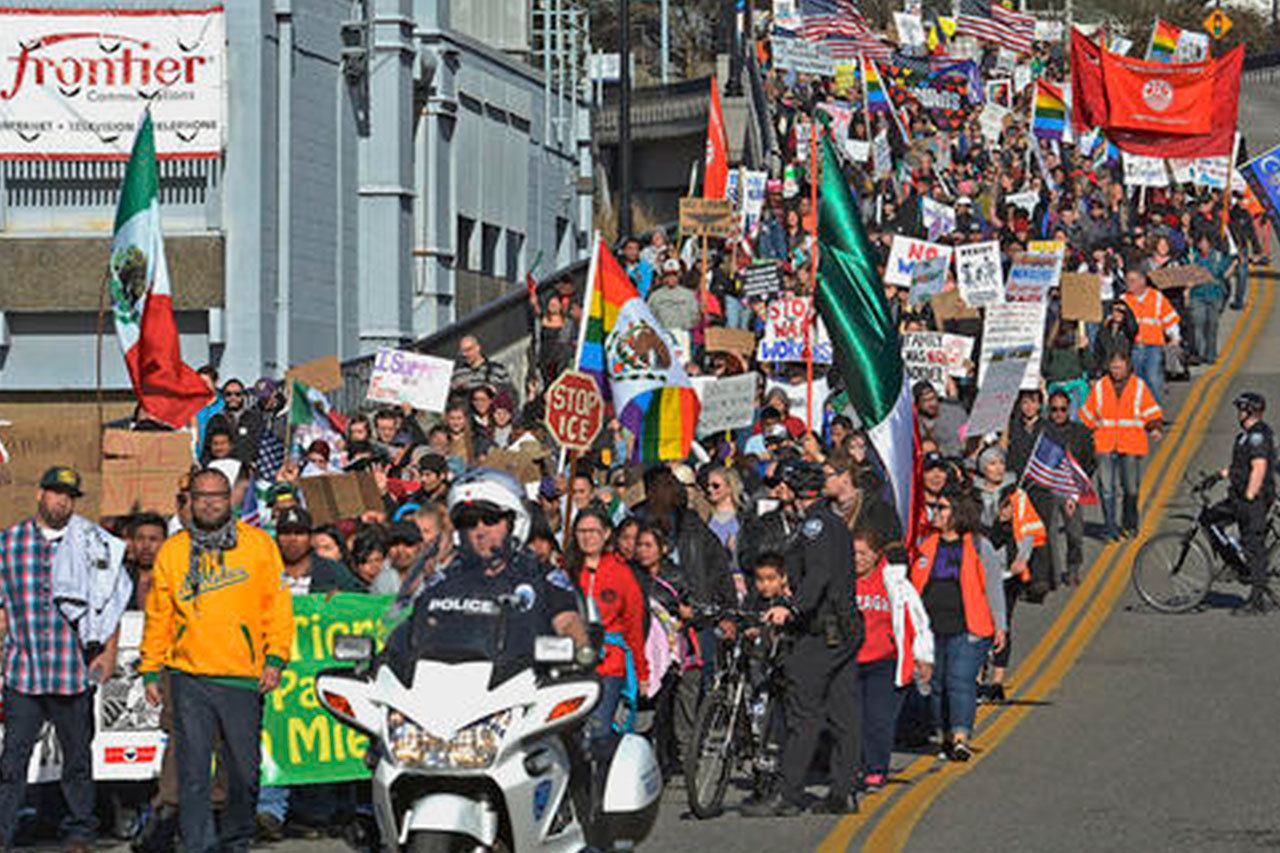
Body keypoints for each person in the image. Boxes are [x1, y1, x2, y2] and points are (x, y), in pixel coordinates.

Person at [139, 467, 294, 853]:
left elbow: (277, 606)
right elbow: (159, 615)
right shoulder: (173, 552)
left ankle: (236, 839)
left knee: (243, 771)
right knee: (192, 772)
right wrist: (150, 669)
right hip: (188, 675)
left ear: (232, 499)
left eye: (218, 495)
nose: (209, 502)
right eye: (202, 495)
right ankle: (197, 844)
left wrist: (276, 656)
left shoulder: (258, 545)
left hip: (242, 676)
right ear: (189, 501)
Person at [0, 467, 125, 852]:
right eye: (56, 493)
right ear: (40, 494)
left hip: (73, 670)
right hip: (25, 668)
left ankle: (79, 831)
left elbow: (111, 601)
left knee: (77, 759)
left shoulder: (91, 542)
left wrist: (109, 651)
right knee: (12, 761)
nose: (63, 502)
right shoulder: (9, 543)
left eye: (70, 496)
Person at [380, 467, 588, 693]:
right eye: (470, 522)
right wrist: (387, 655)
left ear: (515, 523)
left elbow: (567, 620)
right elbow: (412, 628)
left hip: (524, 695)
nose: (479, 531)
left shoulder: (542, 576)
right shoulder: (445, 581)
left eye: (490, 520)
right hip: (450, 694)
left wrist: (579, 646)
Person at [744, 461, 862, 816]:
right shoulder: (833, 522)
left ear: (796, 491)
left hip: (819, 631)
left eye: (785, 486)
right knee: (843, 711)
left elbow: (819, 576)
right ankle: (842, 791)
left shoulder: (814, 525)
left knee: (803, 715)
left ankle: (789, 793)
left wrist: (791, 609)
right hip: (841, 628)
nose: (781, 492)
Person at [911, 488, 1006, 761]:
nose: (936, 513)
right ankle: (946, 735)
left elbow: (993, 587)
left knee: (960, 680)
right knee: (937, 684)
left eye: (942, 508)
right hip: (931, 629)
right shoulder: (925, 544)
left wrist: (1000, 625)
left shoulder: (978, 545)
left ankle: (961, 736)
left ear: (957, 513)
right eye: (936, 508)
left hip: (969, 626)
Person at [853, 529, 932, 793]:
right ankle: (855, 765)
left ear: (877, 555)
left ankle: (876, 769)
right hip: (850, 662)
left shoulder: (895, 584)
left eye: (864, 553)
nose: (858, 559)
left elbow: (917, 621)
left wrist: (922, 656)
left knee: (878, 718)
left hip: (885, 662)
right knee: (854, 718)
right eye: (853, 553)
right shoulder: (841, 581)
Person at [570, 507, 649, 758]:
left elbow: (634, 625)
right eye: (581, 531)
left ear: (606, 534)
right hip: (570, 664)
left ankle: (602, 787)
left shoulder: (621, 573)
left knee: (600, 730)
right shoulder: (566, 570)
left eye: (593, 531)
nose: (587, 537)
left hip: (608, 664)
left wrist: (641, 672)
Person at [1078, 351, 1164, 539]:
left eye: (1119, 367)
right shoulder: (1100, 387)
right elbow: (1086, 415)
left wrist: (1154, 427)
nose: (1116, 371)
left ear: (1127, 366)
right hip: (1105, 444)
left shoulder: (1138, 386)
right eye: (1113, 367)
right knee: (1107, 489)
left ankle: (1130, 524)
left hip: (1131, 445)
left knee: (1131, 489)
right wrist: (1090, 430)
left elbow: (1151, 412)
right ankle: (1110, 527)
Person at [1208, 393, 1276, 615]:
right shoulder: (1244, 436)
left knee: (1254, 548)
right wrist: (1217, 476)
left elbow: (1259, 467)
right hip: (1238, 496)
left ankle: (1256, 601)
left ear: (1250, 411)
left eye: (1241, 409)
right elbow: (1240, 467)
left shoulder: (1258, 436)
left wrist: (1250, 496)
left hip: (1252, 499)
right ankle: (1235, 564)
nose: (1238, 413)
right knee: (1210, 518)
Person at [1043, 390, 1094, 586]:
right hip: (1048, 490)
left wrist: (1078, 487)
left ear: (1069, 409)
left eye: (1062, 409)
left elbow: (1090, 462)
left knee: (1075, 534)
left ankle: (1073, 569)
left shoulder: (1080, 432)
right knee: (1049, 536)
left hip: (1070, 491)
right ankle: (1052, 574)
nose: (1058, 414)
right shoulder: (1043, 432)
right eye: (1054, 409)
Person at [1120, 267, 1179, 405]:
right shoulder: (1123, 299)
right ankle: (1142, 412)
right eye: (1127, 280)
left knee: (1153, 378)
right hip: (1134, 346)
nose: (1129, 284)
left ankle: (1155, 413)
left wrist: (1174, 337)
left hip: (1154, 346)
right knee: (1138, 381)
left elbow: (1169, 319)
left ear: (1143, 281)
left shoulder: (1157, 297)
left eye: (1132, 281)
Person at [125, 512, 169, 611]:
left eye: (153, 539)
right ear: (132, 542)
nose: (146, 546)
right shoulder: (121, 579)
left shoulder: (174, 579)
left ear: (165, 543)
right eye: (140, 539)